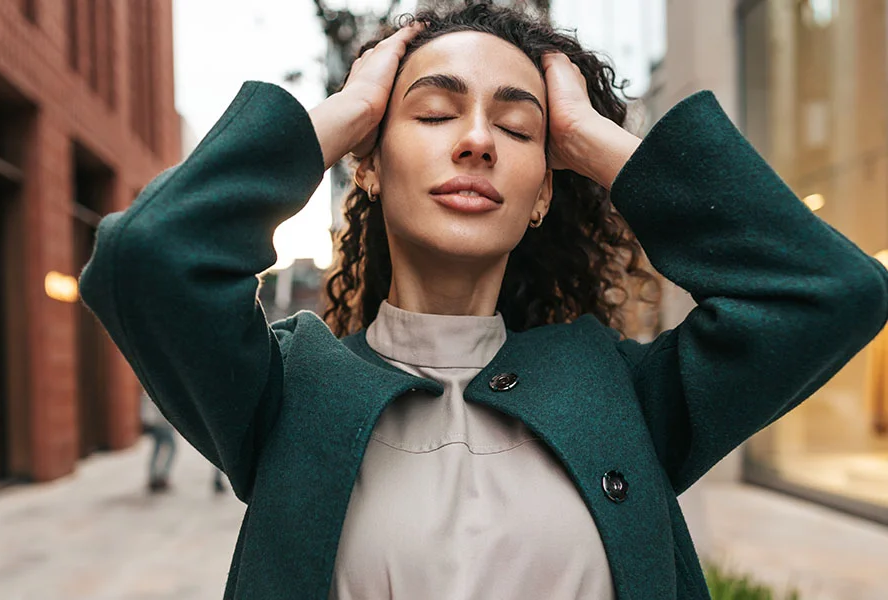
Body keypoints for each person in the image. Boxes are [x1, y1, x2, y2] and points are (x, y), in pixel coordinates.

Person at [78, 2, 888, 599]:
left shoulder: (621, 395)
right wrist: (347, 112)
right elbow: (146, 257)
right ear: (369, 165)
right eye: (432, 112)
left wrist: (595, 139)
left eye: (520, 129)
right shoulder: (285, 392)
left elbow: (829, 292)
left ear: (542, 193)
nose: (475, 139)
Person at [140, 388, 176, 493]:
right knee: (172, 448)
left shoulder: (148, 388)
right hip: (162, 424)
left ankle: (153, 477)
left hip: (156, 424)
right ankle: (162, 476)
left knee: (156, 449)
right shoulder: (158, 389)